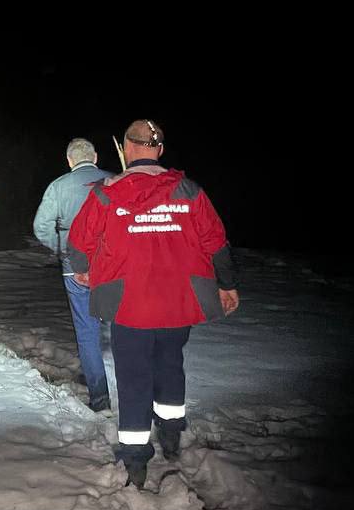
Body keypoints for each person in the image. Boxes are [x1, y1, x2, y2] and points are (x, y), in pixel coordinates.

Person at [67, 119, 239, 490]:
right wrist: (226, 285)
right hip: (177, 302)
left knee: (133, 376)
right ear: (159, 150)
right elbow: (216, 241)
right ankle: (171, 433)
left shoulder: (107, 193)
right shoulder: (189, 191)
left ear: (127, 148)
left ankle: (135, 459)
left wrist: (83, 270)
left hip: (129, 304)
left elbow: (79, 243)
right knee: (169, 363)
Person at [32, 138, 111, 411]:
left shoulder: (59, 186)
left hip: (75, 268)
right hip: (113, 265)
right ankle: (135, 393)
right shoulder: (115, 181)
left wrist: (63, 250)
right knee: (121, 328)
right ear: (95, 157)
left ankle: (100, 398)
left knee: (87, 330)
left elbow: (41, 227)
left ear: (69, 161)